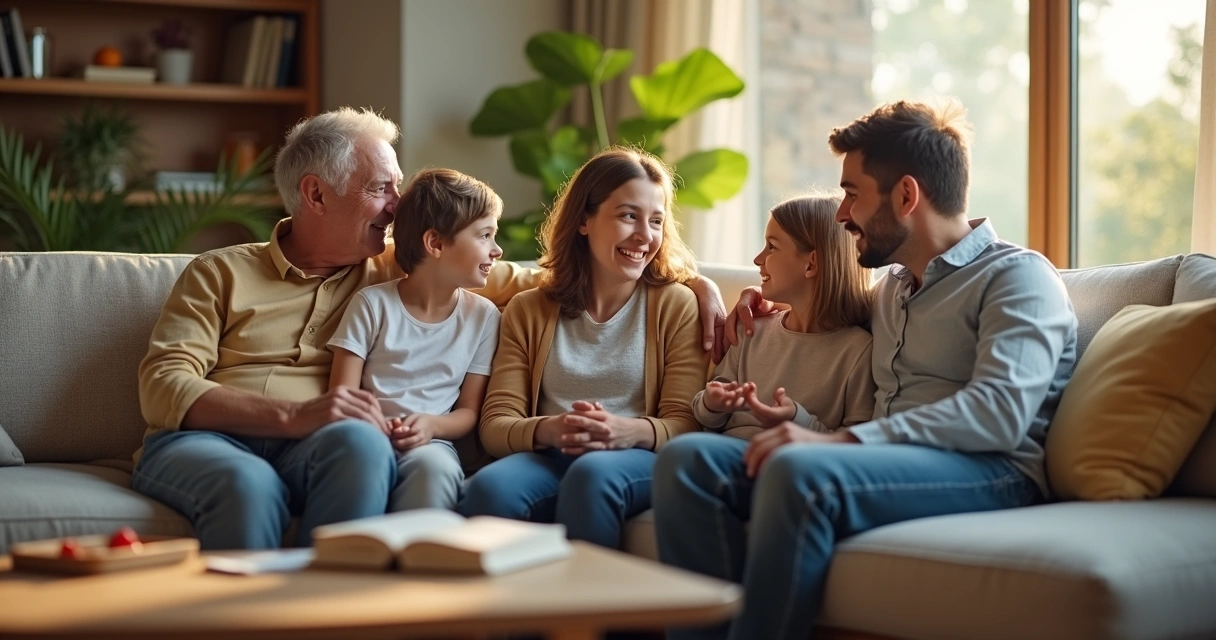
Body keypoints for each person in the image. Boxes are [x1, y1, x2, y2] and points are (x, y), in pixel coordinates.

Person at [132, 107, 724, 551]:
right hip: (209, 442)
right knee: (246, 485)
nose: (398, 207)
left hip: (320, 445)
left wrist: (696, 284)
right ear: (316, 194)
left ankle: (353, 612)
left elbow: (551, 276)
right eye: (381, 189)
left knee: (360, 442)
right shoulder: (220, 271)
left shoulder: (401, 268)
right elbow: (163, 385)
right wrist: (291, 416)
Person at [652, 99, 1079, 640]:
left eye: (852, 193)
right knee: (688, 460)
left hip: (991, 469)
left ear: (906, 195)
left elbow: (999, 414)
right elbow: (817, 309)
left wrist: (848, 440)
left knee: (797, 471)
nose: (841, 214)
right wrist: (750, 303)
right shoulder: (893, 289)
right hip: (891, 461)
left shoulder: (1018, 279)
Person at [459, 147, 708, 549]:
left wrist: (624, 431)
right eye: (629, 215)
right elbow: (495, 426)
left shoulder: (676, 305)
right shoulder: (529, 309)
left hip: (637, 456)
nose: (646, 236)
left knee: (592, 477)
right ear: (584, 221)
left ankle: (588, 612)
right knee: (489, 490)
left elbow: (687, 422)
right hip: (550, 455)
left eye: (657, 221)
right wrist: (550, 429)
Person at [326, 168, 503, 513]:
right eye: (485, 236)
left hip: (431, 442)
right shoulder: (372, 304)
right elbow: (342, 396)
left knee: (434, 469)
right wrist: (376, 428)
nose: (497, 250)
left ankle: (421, 558)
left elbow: (468, 412)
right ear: (435, 243)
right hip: (365, 436)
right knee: (361, 462)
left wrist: (430, 425)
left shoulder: (484, 318)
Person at [692, 192, 875, 453]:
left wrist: (797, 420)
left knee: (685, 451)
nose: (758, 259)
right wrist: (712, 403)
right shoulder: (750, 330)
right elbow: (706, 419)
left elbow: (857, 443)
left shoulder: (858, 351)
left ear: (811, 263)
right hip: (726, 452)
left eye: (772, 247)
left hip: (791, 462)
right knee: (688, 449)